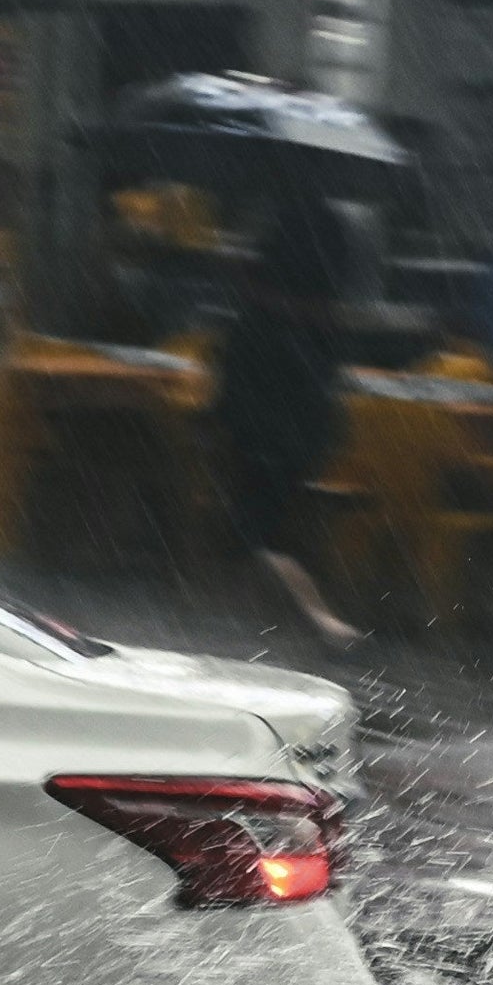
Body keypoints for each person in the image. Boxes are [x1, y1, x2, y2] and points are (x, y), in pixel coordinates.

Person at [208, 175, 359, 647]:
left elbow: (238, 377)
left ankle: (321, 621)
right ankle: (288, 620)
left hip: (266, 427)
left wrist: (245, 276)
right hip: (303, 426)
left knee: (252, 532)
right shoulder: (331, 248)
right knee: (263, 524)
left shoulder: (265, 321)